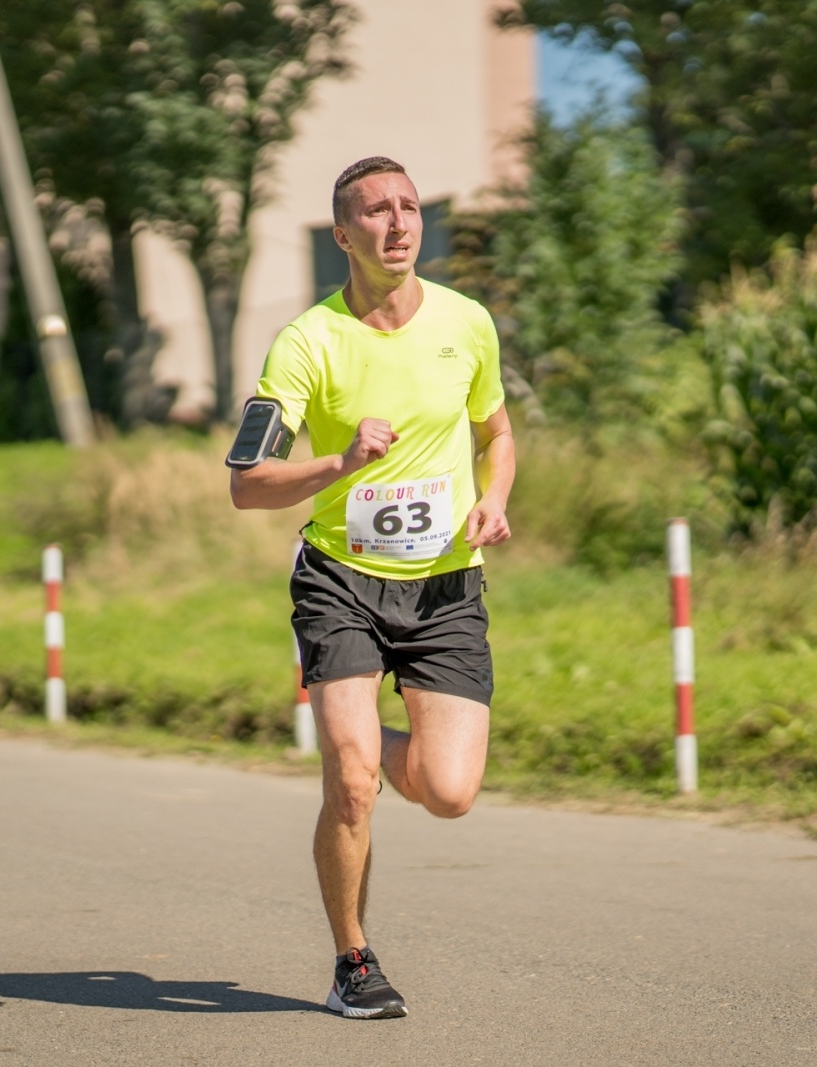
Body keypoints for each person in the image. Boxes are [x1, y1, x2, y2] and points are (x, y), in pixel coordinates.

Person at [229, 156, 515, 1020]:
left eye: (410, 207)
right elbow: (246, 482)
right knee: (352, 783)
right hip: (340, 580)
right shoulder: (307, 342)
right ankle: (353, 960)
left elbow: (496, 433)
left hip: (443, 590)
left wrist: (495, 498)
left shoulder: (467, 324)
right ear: (343, 235)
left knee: (450, 791)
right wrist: (338, 460)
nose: (398, 222)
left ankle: (365, 740)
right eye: (376, 211)